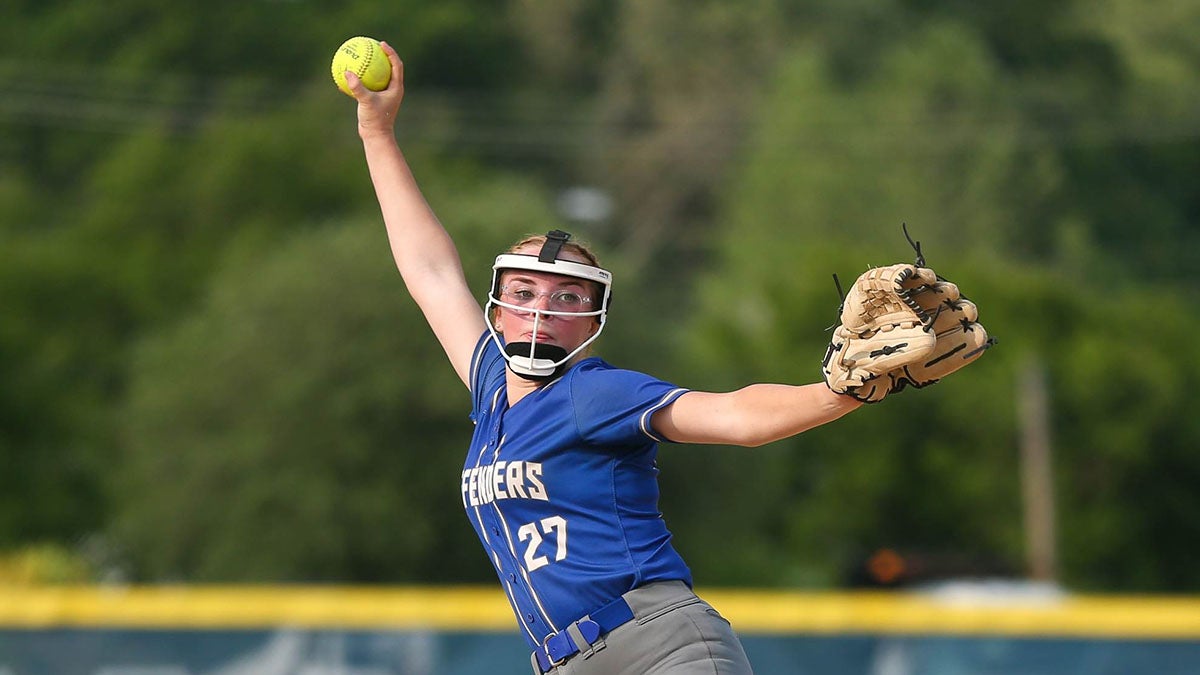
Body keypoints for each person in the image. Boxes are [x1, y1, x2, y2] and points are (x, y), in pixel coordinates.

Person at [343, 42, 864, 675]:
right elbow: (428, 269)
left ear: (590, 319)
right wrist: (377, 130)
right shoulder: (489, 388)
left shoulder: (594, 393)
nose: (542, 307)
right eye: (525, 291)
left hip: (659, 645)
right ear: (497, 307)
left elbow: (734, 417)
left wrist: (841, 391)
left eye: (567, 295)